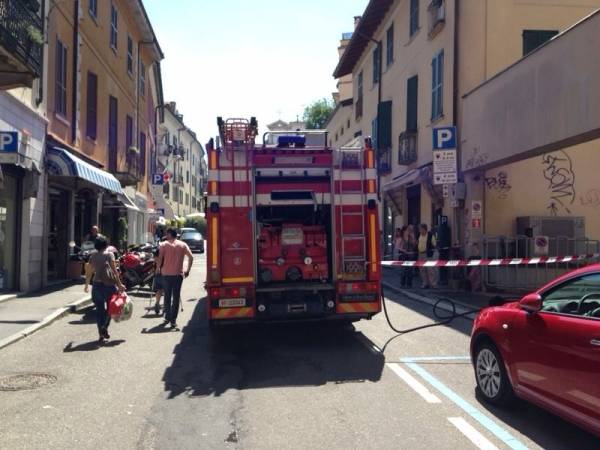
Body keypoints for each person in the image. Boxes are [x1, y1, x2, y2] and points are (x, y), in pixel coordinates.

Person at [84, 236, 126, 342]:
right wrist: (120, 284)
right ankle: (104, 327)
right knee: (111, 308)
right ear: (106, 244)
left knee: (99, 310)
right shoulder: (109, 255)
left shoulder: (92, 256)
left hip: (97, 285)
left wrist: (86, 285)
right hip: (109, 285)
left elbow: (89, 272)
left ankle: (101, 334)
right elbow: (114, 272)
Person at [155, 228, 193, 329]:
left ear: (170, 234)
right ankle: (173, 320)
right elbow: (191, 257)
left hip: (166, 274)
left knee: (167, 296)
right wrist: (188, 270)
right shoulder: (182, 245)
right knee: (176, 297)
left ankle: (167, 317)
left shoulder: (163, 244)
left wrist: (158, 268)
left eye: (167, 234)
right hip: (178, 275)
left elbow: (159, 258)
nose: (166, 236)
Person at [417, 223, 438, 289]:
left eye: (421, 229)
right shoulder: (419, 235)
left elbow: (434, 245)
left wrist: (431, 250)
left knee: (430, 269)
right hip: (420, 254)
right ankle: (425, 283)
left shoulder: (430, 235)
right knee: (422, 269)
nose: (420, 231)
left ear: (424, 229)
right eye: (419, 229)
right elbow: (418, 242)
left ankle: (433, 284)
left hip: (428, 254)